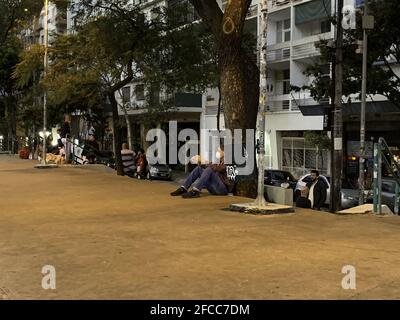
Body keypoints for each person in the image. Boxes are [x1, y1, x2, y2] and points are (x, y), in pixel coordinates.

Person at [170, 147, 234, 199]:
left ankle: (195, 191)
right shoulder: (219, 162)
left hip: (223, 190)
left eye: (219, 151)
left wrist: (204, 161)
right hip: (215, 188)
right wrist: (199, 161)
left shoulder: (229, 162)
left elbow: (216, 168)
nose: (217, 152)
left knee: (209, 169)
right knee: (199, 168)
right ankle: (183, 188)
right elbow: (210, 166)